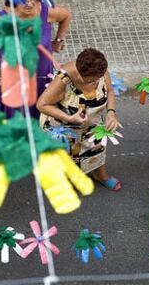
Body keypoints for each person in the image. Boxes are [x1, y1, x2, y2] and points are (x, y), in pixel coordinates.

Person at [37, 48, 122, 191]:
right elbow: (41, 104)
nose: (95, 83)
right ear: (80, 72)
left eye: (97, 80)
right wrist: (69, 118)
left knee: (97, 149)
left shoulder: (100, 71)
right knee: (67, 158)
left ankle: (100, 176)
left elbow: (111, 91)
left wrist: (111, 113)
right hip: (63, 127)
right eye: (90, 81)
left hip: (91, 124)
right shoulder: (64, 79)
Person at [0, 0, 71, 118]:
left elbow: (66, 15)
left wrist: (58, 41)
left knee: (42, 107)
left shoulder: (45, 12)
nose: (29, 3)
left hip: (42, 72)